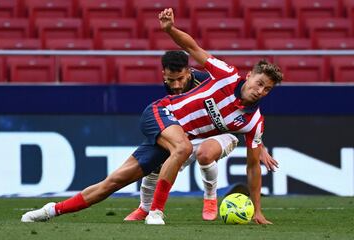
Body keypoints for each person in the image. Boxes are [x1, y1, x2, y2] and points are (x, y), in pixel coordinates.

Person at [21, 8, 282, 225]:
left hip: (175, 135)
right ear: (249, 76)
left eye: (267, 89)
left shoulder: (252, 121)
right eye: (259, 83)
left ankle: (50, 210)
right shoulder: (225, 74)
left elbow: (252, 167)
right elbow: (192, 47)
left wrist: (258, 210)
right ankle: (155, 211)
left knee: (112, 183)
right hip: (161, 112)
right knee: (183, 147)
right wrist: (169, 29)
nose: (260, 91)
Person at [124, 51, 278, 221]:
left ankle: (210, 198)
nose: (175, 84)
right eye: (170, 79)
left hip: (222, 132)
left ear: (188, 72)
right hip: (190, 131)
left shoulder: (209, 79)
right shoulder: (171, 81)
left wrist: (260, 146)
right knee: (156, 165)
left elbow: (245, 119)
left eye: (180, 78)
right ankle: (144, 208)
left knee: (204, 153)